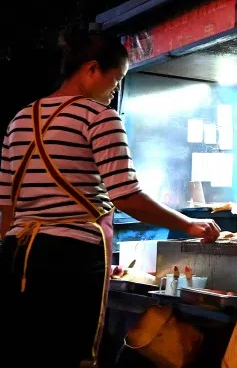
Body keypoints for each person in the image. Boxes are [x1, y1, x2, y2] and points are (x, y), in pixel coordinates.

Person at [0, 25, 221, 368]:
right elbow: (126, 195)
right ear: (91, 70)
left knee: (25, 351)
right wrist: (188, 223)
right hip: (70, 257)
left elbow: (6, 207)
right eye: (115, 80)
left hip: (16, 256)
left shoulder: (19, 119)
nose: (114, 91)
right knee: (73, 354)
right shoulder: (98, 117)